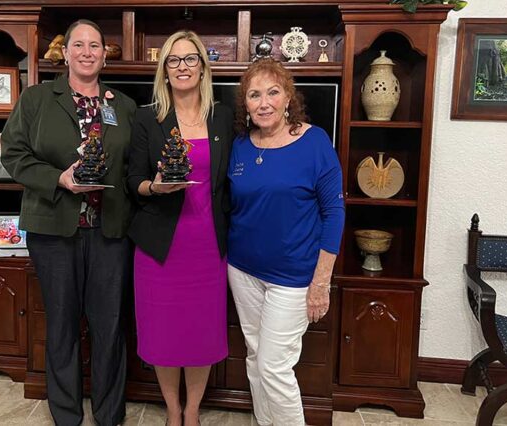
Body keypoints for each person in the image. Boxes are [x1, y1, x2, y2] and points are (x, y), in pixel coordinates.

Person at [1, 19, 137, 426]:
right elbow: (13, 154)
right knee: (61, 324)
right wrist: (59, 179)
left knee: (109, 325)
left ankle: (110, 414)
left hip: (110, 231)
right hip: (54, 230)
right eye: (78, 44)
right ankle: (66, 415)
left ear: (103, 53)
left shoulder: (123, 106)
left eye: (95, 45)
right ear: (65, 52)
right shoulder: (38, 98)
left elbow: (132, 167)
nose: (87, 52)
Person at [227, 58, 345, 426]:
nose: (264, 102)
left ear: (288, 97)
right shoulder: (241, 147)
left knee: (275, 367)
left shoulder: (314, 142)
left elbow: (334, 214)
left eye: (273, 92)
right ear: (245, 104)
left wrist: (321, 282)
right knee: (254, 355)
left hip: (293, 277)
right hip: (242, 269)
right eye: (254, 95)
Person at [127, 31, 233, 426]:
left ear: (203, 68)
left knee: (201, 334)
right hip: (159, 248)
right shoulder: (146, 118)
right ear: (164, 70)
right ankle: (172, 409)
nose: (182, 67)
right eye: (174, 60)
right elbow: (132, 180)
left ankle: (193, 411)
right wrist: (155, 186)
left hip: (209, 245)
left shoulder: (222, 115)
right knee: (165, 334)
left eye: (190, 59)